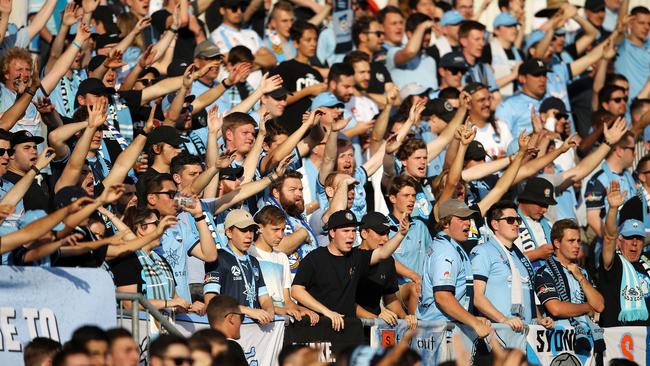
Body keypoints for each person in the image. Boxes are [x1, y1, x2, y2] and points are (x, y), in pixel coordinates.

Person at [291, 209, 409, 331]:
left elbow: (383, 253)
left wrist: (401, 234)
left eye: (353, 231)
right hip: (318, 331)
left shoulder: (357, 256)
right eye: (346, 231)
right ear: (332, 232)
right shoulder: (315, 258)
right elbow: (296, 291)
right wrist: (327, 312)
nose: (351, 236)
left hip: (348, 332)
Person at [471, 201, 554, 331]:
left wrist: (539, 319)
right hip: (499, 331)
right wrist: (503, 319)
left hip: (526, 331)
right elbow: (477, 297)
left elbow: (527, 293)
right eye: (510, 220)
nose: (516, 224)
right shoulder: (482, 251)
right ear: (495, 224)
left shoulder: (520, 257)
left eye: (518, 220)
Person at [418, 199, 492, 339]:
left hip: (442, 329)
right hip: (438, 332)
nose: (468, 222)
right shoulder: (446, 251)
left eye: (468, 218)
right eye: (462, 218)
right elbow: (443, 297)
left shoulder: (450, 246)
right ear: (445, 223)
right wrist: (475, 323)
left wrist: (472, 319)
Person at [534, 219, 606, 354]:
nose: (577, 245)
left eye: (578, 241)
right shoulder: (544, 272)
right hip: (559, 345)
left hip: (588, 341)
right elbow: (555, 309)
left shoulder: (582, 272)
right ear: (557, 243)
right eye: (571, 241)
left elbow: (600, 306)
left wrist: (580, 278)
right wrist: (587, 307)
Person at [203, 209, 275, 324]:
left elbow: (265, 298)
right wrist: (246, 310)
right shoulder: (217, 258)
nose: (249, 235)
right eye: (243, 230)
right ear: (229, 232)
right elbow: (211, 301)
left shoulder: (254, 261)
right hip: (228, 326)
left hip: (253, 330)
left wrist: (269, 313)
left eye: (251, 230)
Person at [250, 205, 319, 322]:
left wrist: (303, 310)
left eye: (283, 230)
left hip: (281, 321)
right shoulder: (250, 254)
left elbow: (286, 301)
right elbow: (254, 300)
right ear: (260, 228)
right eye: (275, 230)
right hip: (260, 320)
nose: (281, 235)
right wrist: (280, 310)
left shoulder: (282, 257)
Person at [598, 181, 650, 327]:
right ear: (619, 241)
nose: (634, 242)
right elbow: (609, 237)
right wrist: (613, 209)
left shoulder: (646, 261)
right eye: (629, 237)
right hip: (619, 338)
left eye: (639, 238)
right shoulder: (613, 263)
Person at [356, 211, 417, 328]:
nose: (385, 239)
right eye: (380, 233)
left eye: (387, 234)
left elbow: (390, 298)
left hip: (375, 328)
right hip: (350, 327)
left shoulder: (388, 261)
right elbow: (346, 302)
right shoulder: (350, 258)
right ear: (364, 233)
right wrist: (375, 317)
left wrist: (405, 319)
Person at [274, 20, 325, 133]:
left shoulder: (316, 73)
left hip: (312, 135)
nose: (313, 44)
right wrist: (309, 90)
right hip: (288, 130)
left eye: (315, 40)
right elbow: (281, 99)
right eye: (308, 40)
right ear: (296, 43)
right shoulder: (286, 67)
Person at [514, 177, 557, 270]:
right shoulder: (510, 221)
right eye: (541, 204)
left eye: (546, 205)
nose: (545, 210)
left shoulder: (549, 223)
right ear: (527, 199)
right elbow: (507, 260)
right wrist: (537, 254)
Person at [614, 6, 650, 99]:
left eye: (649, 24)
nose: (646, 27)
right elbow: (620, 27)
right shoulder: (622, 45)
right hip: (628, 107)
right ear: (630, 24)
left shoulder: (648, 44)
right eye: (641, 23)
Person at [206, 295, 248, 364]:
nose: (241, 321)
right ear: (231, 318)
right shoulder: (232, 348)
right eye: (241, 316)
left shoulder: (200, 348)